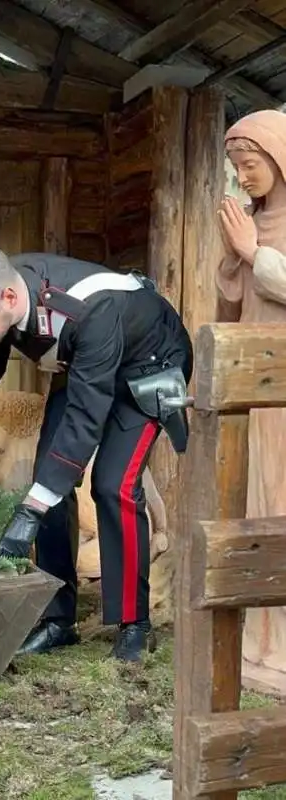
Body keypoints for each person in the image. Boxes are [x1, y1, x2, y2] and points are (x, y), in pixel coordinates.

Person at [0, 223, 193, 662]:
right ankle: (58, 619)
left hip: (148, 366)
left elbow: (84, 418)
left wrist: (28, 514)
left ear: (8, 299)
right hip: (86, 367)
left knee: (112, 485)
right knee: (48, 483)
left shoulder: (88, 310)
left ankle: (134, 623)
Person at [217, 109, 286, 695]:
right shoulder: (252, 221)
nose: (243, 176)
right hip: (258, 391)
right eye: (237, 166)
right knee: (259, 505)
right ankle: (263, 642)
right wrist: (234, 256)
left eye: (252, 163)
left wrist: (255, 254)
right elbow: (232, 307)